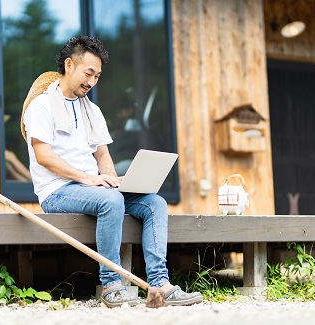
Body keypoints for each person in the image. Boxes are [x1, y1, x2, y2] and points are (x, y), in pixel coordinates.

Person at [23, 36, 202, 308]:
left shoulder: (91, 110)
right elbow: (43, 156)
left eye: (97, 75)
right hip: (58, 192)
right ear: (69, 65)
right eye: (88, 73)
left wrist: (112, 180)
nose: (92, 81)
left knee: (155, 203)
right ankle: (112, 284)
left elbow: (102, 155)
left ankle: (160, 283)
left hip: (93, 189)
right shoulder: (42, 106)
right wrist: (89, 178)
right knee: (111, 200)